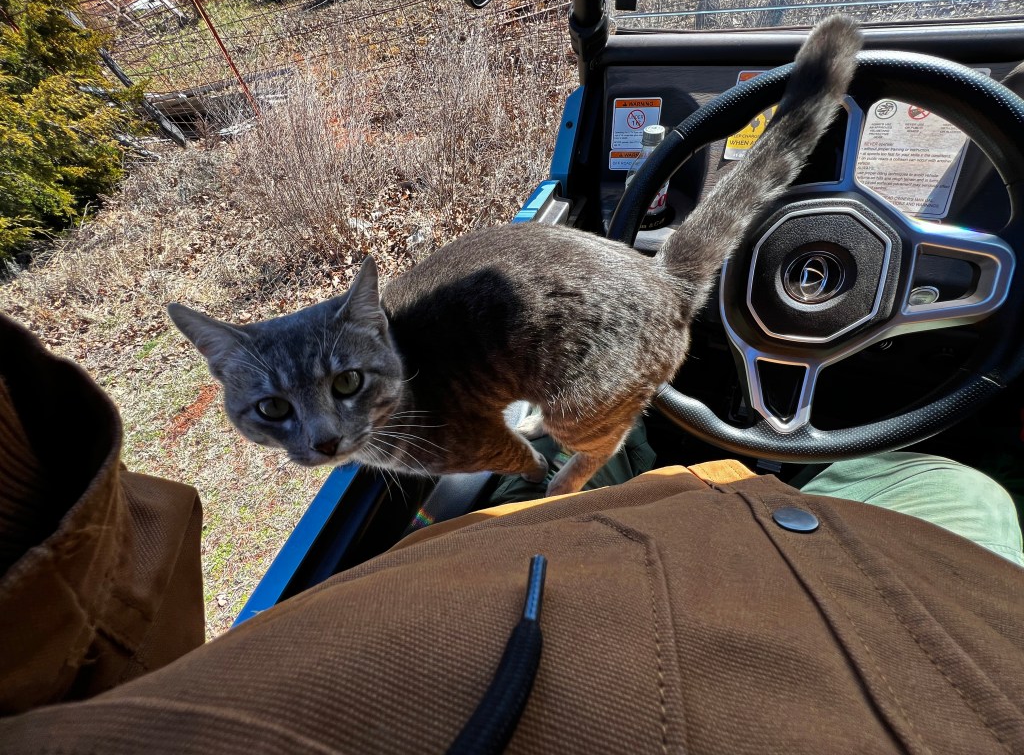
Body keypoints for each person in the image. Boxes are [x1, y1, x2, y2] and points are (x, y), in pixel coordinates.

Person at [1, 311, 1023, 754]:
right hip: (847, 595)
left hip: (548, 552)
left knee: (590, 445)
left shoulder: (182, 700)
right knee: (947, 481)